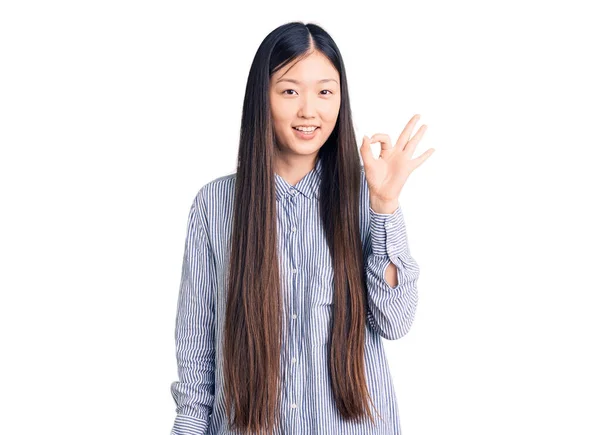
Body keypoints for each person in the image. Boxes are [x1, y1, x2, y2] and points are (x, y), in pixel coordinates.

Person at [169, 21, 434, 435]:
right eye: (290, 90)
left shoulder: (366, 195)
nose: (309, 110)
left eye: (325, 91)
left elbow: (396, 321)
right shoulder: (215, 205)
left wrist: (385, 206)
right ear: (263, 98)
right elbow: (197, 354)